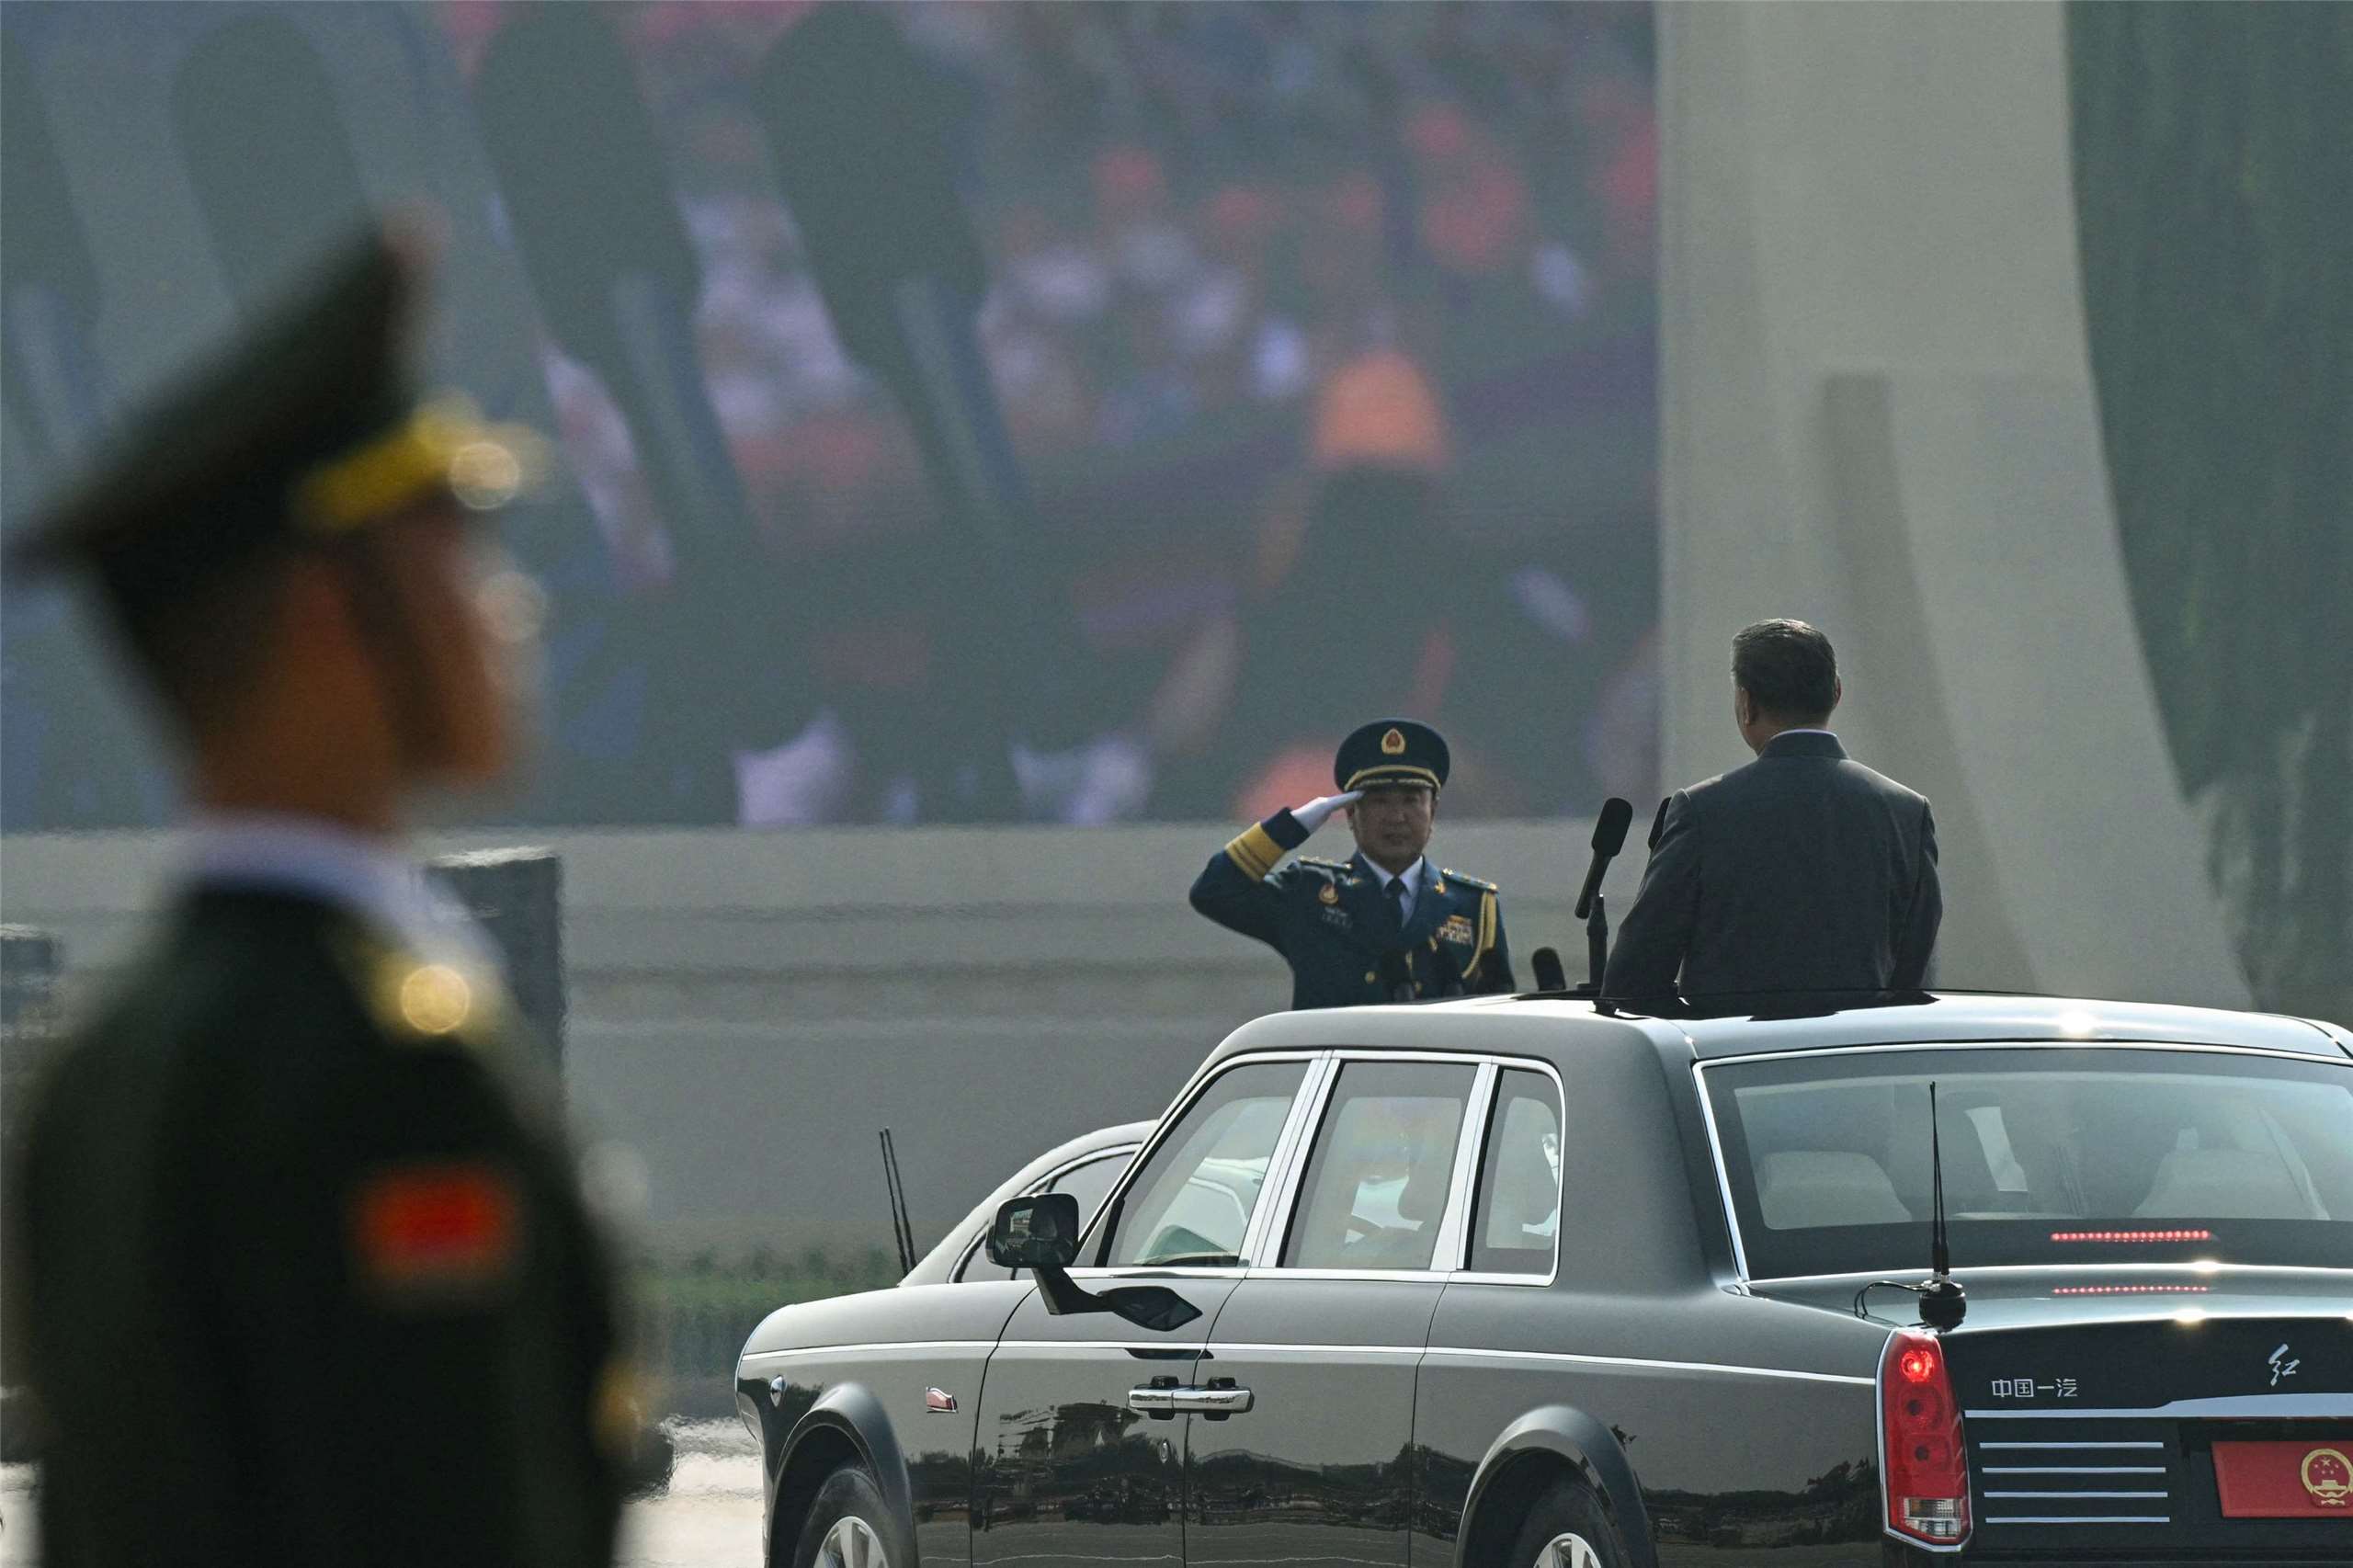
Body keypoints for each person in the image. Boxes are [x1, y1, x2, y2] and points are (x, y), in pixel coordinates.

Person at [2, 231, 628, 1566]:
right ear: (327, 615)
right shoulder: (381, 1069)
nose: (505, 610)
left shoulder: (102, 1071)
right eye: (453, 554)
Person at [1603, 619, 1941, 1000]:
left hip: (1732, 1056)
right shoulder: (1907, 814)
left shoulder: (1702, 811)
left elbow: (1635, 977)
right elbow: (1915, 982)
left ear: (1747, 704)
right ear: (1836, 692)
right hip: (1856, 1055)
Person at [1191, 718, 1513, 1008]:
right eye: (1379, 801)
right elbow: (1214, 892)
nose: (1396, 817)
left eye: (1411, 800)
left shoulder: (1472, 906)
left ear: (1434, 811)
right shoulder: (1309, 894)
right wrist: (1293, 825)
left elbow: (1498, 1016)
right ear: (1350, 813)